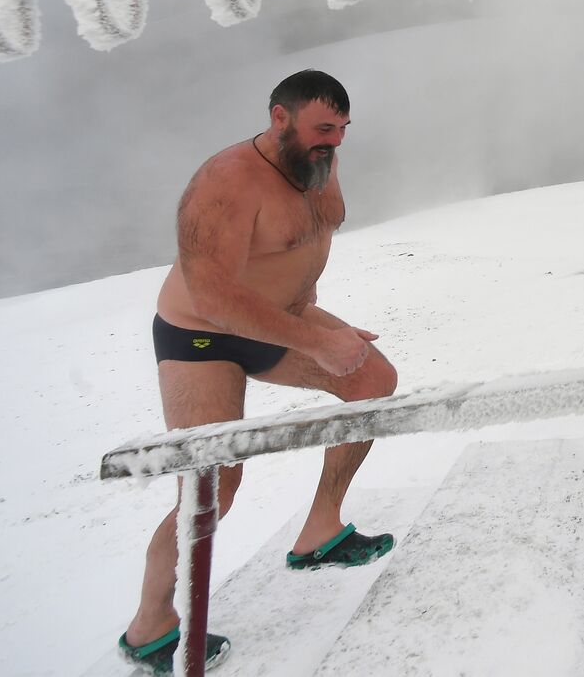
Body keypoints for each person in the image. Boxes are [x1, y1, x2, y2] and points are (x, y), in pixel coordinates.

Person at [118, 69, 398, 674]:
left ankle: (320, 531)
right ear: (279, 118)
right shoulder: (224, 182)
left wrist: (317, 329)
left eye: (343, 130)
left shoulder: (316, 163)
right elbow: (213, 296)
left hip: (280, 319)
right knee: (211, 486)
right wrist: (318, 344)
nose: (336, 141)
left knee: (372, 385)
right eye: (324, 128)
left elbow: (300, 243)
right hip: (203, 336)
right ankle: (150, 624)